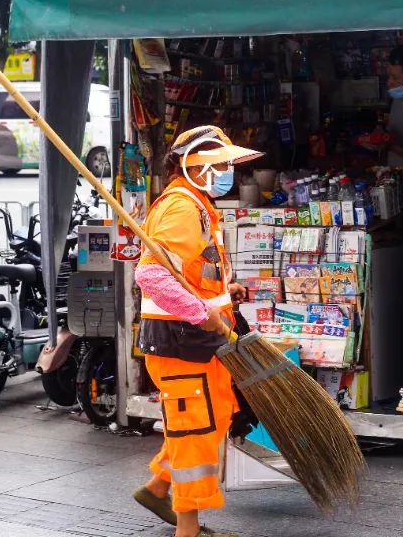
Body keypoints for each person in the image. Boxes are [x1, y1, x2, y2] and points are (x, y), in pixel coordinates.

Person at [131, 125, 262, 537]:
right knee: (196, 434)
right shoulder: (183, 207)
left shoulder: (196, 203)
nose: (226, 172)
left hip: (196, 342)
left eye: (226, 164)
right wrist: (201, 312)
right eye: (218, 165)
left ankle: (157, 488)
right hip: (182, 343)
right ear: (192, 165)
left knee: (211, 419)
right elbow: (151, 275)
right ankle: (188, 531)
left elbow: (189, 275)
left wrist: (223, 295)